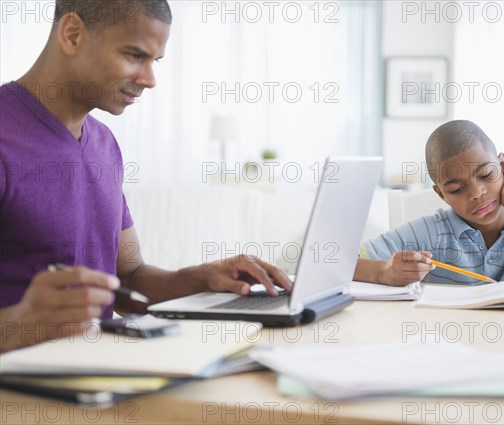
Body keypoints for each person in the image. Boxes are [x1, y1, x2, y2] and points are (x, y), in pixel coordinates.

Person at [0, 0, 291, 353]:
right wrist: (19, 323)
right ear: (73, 34)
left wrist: (203, 277)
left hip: (105, 373)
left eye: (155, 61)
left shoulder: (104, 144)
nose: (150, 80)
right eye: (135, 55)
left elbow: (128, 278)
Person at [353, 120, 504, 286]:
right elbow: (339, 264)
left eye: (486, 175)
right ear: (441, 194)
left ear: (503, 167)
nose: (476, 193)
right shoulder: (427, 233)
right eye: (456, 189)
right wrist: (384, 271)